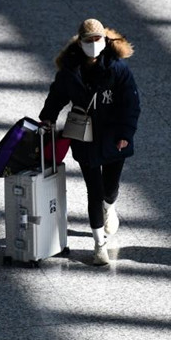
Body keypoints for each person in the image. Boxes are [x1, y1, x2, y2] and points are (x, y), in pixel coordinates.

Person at [39, 18, 140, 266]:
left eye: (98, 39)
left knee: (109, 189)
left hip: (114, 137)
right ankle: (99, 244)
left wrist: (125, 135)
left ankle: (110, 206)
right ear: (80, 42)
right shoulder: (70, 72)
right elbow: (57, 96)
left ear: (105, 40)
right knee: (93, 191)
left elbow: (131, 104)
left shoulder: (117, 69)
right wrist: (48, 118)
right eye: (89, 40)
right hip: (84, 138)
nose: (94, 44)